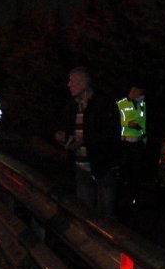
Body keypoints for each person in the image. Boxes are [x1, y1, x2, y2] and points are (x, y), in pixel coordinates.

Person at [55, 67, 121, 218]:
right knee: (85, 214)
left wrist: (85, 141)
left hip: (103, 166)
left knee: (106, 213)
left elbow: (110, 134)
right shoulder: (71, 106)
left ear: (83, 83)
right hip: (81, 167)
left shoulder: (104, 104)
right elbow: (64, 126)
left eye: (72, 81)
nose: (68, 85)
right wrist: (61, 135)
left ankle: (105, 241)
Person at [117, 85, 147, 205]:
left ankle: (132, 199)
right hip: (125, 143)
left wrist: (144, 136)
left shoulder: (142, 105)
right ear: (133, 92)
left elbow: (143, 122)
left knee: (135, 172)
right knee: (123, 172)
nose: (142, 96)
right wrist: (129, 124)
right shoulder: (121, 104)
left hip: (138, 143)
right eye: (140, 93)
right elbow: (118, 121)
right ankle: (121, 199)